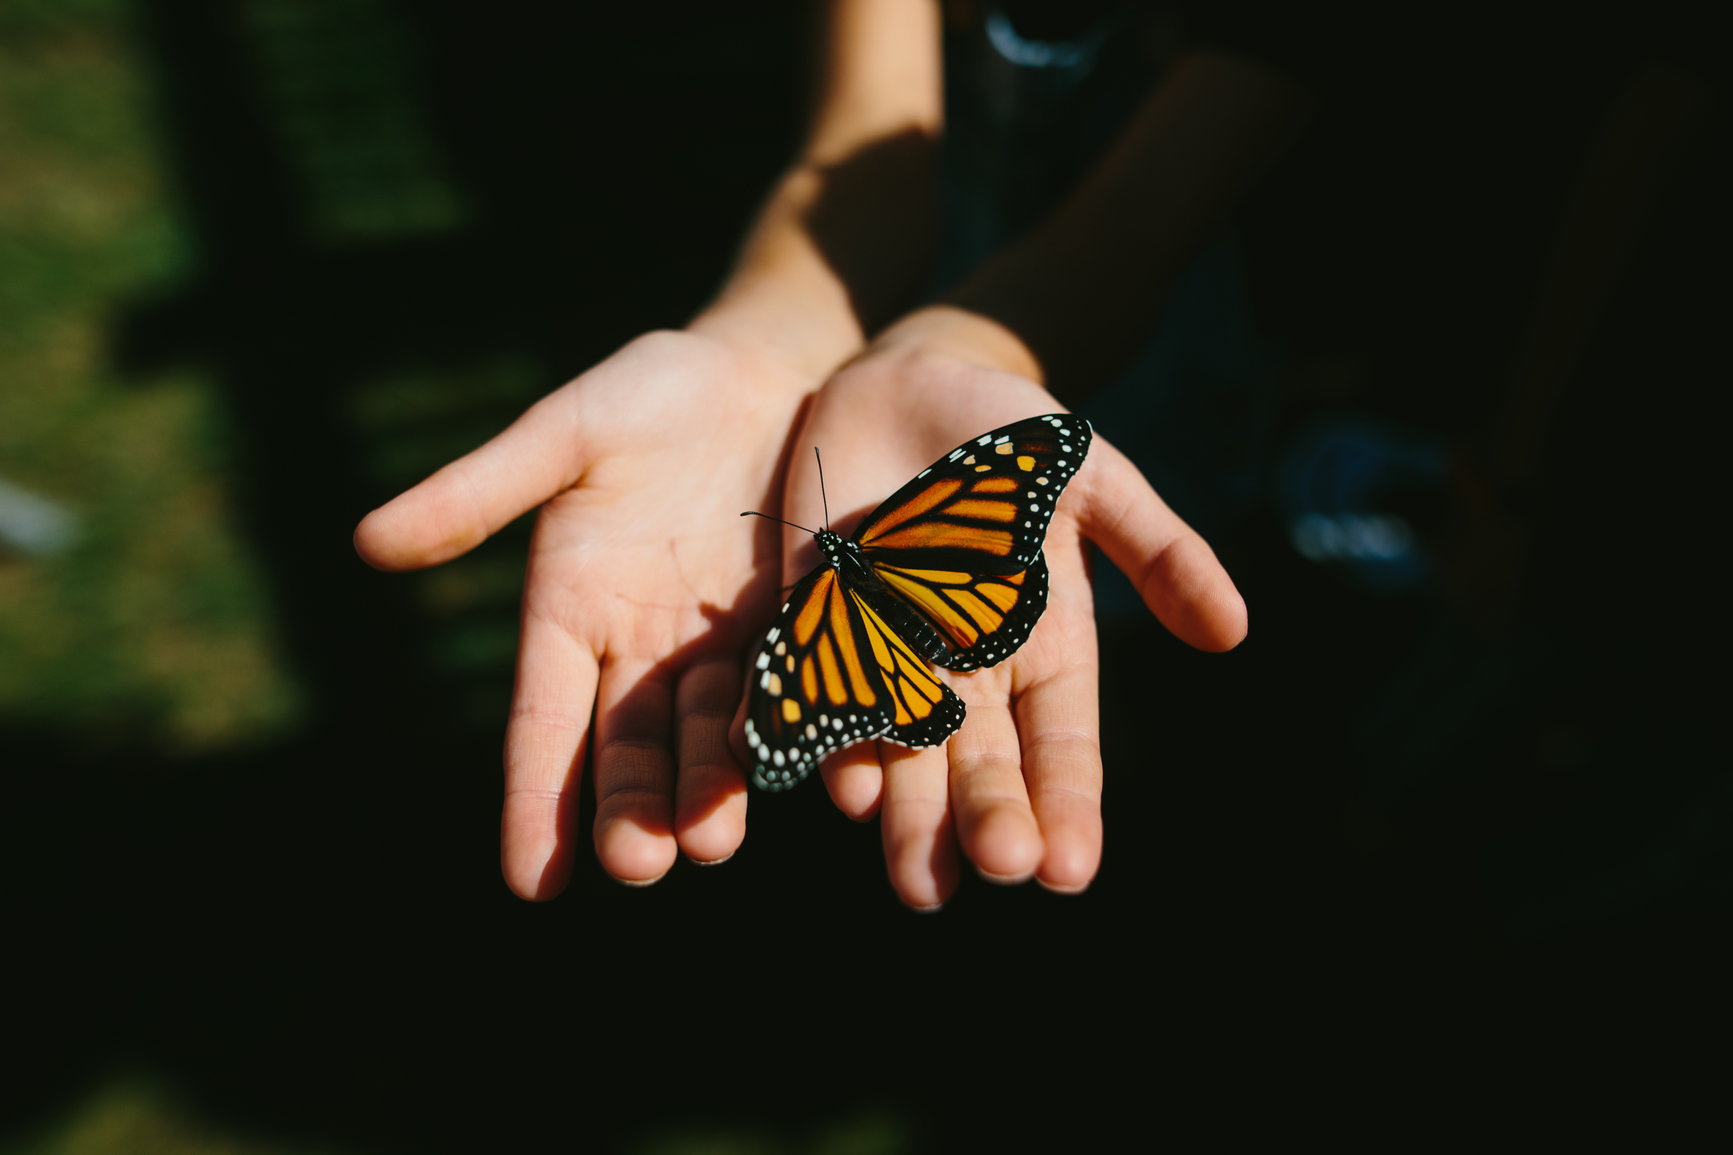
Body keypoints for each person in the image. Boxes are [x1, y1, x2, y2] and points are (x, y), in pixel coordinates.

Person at [353, 0, 1305, 908]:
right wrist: (768, 337)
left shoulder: (816, 607)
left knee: (1119, 564)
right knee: (1069, 597)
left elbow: (1152, 213)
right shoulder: (908, 522)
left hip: (1141, 305)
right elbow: (862, 153)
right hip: (981, 472)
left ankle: (1115, 692)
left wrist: (972, 349)